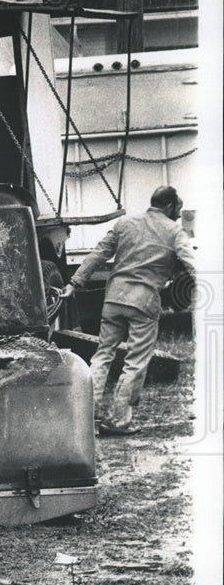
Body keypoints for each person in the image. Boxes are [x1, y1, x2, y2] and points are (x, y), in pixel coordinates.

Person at [61, 185, 195, 436]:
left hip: (113, 300)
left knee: (102, 356)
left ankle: (86, 417)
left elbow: (97, 255)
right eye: (178, 208)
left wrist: (73, 283)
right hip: (144, 304)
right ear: (168, 206)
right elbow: (192, 263)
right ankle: (119, 421)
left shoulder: (125, 223)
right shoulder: (175, 231)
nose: (179, 214)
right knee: (135, 362)